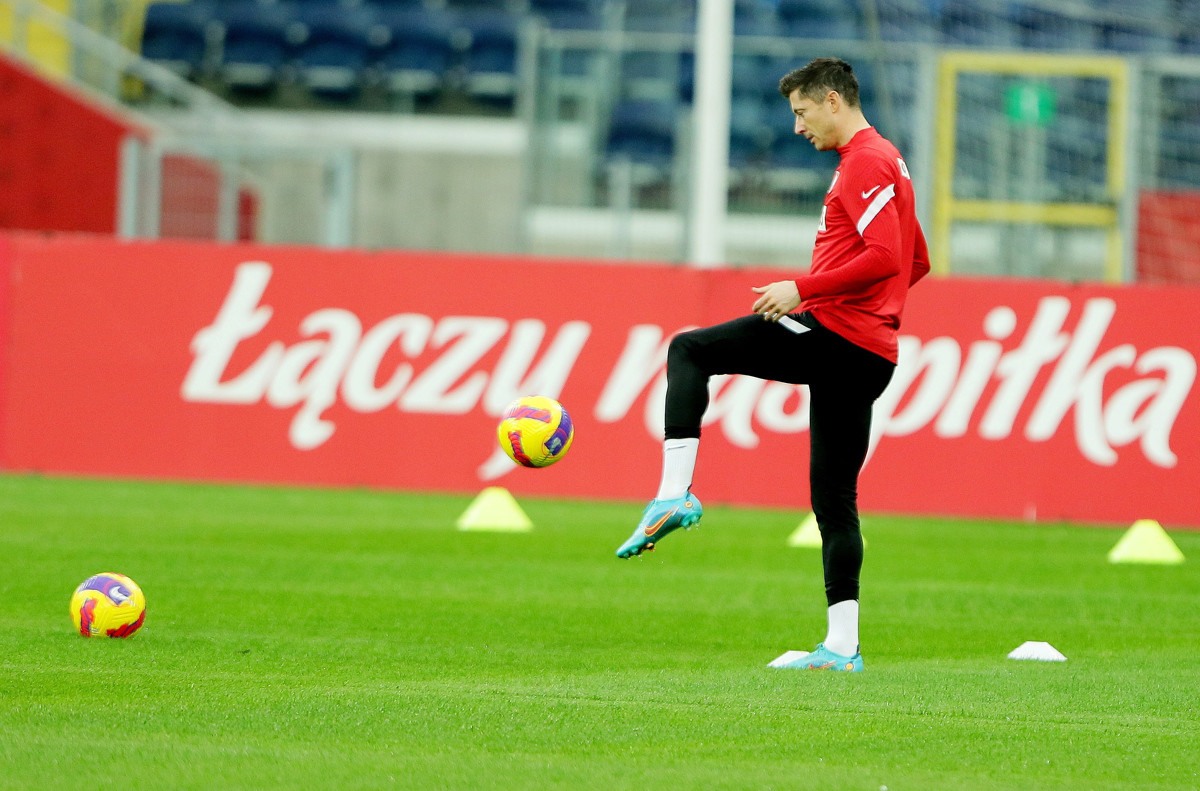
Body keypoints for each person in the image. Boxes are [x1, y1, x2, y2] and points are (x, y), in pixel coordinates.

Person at [614, 57, 930, 672]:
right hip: (869, 352)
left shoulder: (865, 162)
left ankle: (673, 495)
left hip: (836, 336)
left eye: (802, 112)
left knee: (690, 350)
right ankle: (842, 648)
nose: (796, 127)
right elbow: (918, 261)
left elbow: (888, 258)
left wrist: (805, 290)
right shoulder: (890, 159)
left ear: (832, 100)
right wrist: (877, 315)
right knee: (834, 501)